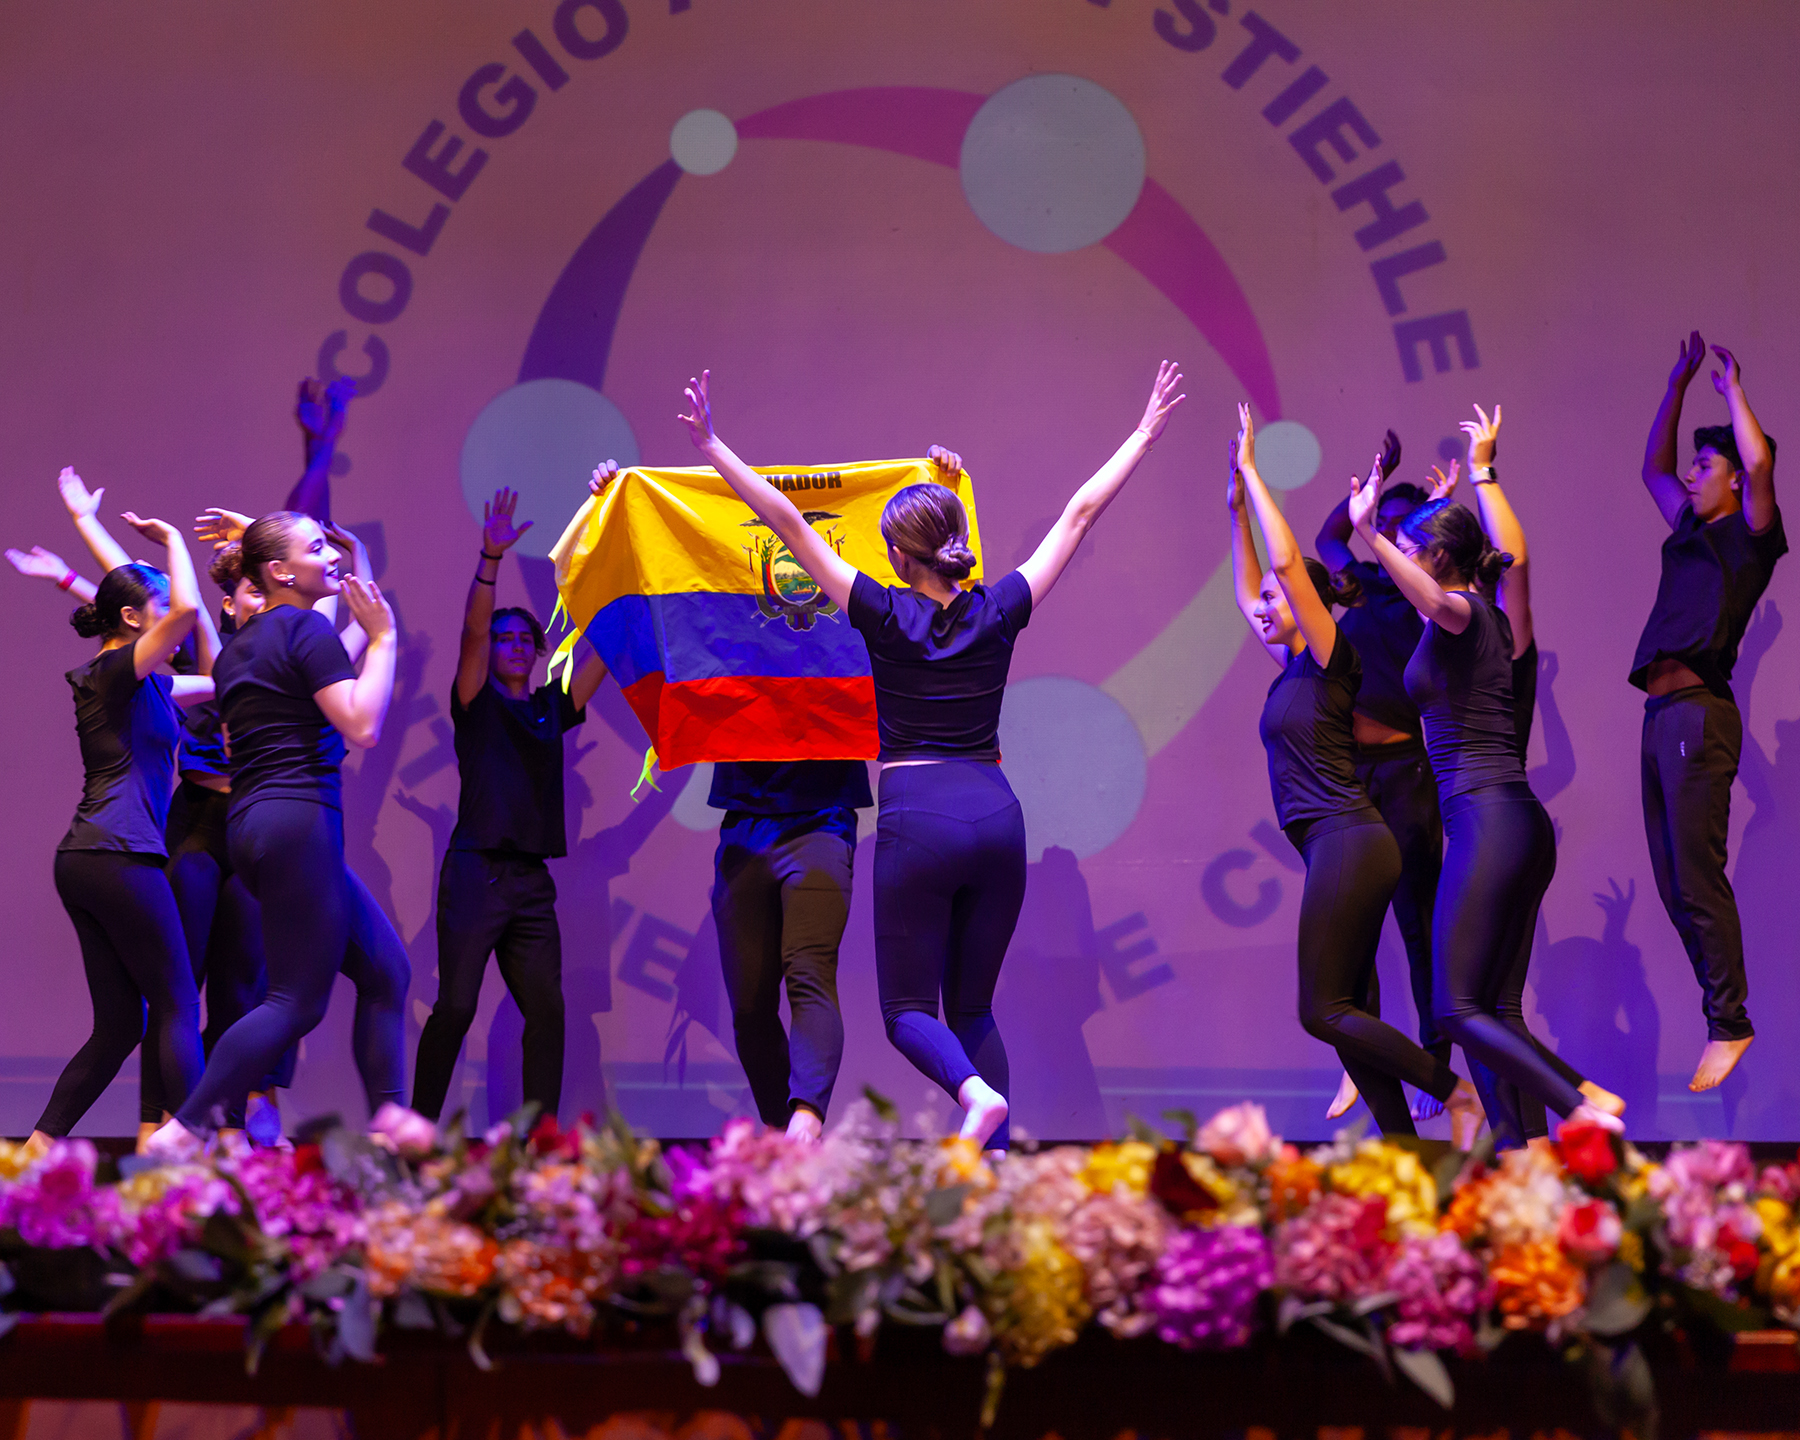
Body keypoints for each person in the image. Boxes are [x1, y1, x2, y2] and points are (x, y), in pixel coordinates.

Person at [678, 362, 1185, 1149]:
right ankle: (992, 1163)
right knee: (974, 1007)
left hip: (920, 820)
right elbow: (1079, 514)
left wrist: (714, 447)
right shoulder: (1000, 608)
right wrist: (1145, 432)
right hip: (997, 815)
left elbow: (788, 523)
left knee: (907, 1012)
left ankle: (976, 1099)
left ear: (896, 556)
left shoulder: (881, 613)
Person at [1347, 460, 1622, 1144]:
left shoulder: (1466, 612)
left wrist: (1369, 532)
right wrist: (1438, 511)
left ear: (1439, 558)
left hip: (1486, 820)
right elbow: (1436, 590)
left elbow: (1435, 598)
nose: (1393, 562)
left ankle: (1581, 1102)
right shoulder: (1480, 617)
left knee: (1455, 1008)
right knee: (1495, 1009)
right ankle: (1527, 1153)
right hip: (1513, 821)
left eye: (1407, 551)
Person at [1229, 408, 1482, 1142]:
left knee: (1323, 1010)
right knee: (1345, 1008)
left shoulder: (1333, 657)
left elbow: (1286, 567)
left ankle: (1454, 1090)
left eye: (1278, 600)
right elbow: (1252, 587)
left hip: (1351, 834)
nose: (1264, 607)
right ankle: (1403, 1149)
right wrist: (1235, 508)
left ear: (1307, 606)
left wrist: (1254, 472)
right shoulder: (1293, 669)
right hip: (1335, 840)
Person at [149, 511, 407, 1150]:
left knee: (387, 972)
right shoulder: (304, 629)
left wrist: (268, 536)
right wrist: (384, 640)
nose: (332, 556)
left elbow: (310, 603)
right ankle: (184, 1128)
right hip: (299, 821)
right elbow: (363, 724)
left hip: (255, 825)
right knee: (296, 1002)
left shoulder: (243, 645)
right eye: (317, 548)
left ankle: (390, 1129)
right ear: (280, 572)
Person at [411, 485, 610, 1126]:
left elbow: (604, 650)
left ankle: (538, 1141)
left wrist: (622, 564)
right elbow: (471, 633)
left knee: (548, 1012)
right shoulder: (476, 703)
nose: (517, 645)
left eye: (527, 638)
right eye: (506, 639)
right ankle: (417, 1130)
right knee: (456, 1008)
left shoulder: (552, 706)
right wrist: (490, 560)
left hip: (530, 882)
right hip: (476, 872)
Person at [28, 491, 214, 1150]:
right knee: (178, 1003)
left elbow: (215, 678)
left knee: (118, 1027)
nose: (174, 621)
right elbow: (186, 613)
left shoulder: (149, 683)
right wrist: (174, 541)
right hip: (119, 856)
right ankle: (195, 1148)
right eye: (157, 609)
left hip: (90, 857)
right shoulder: (114, 670)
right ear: (133, 618)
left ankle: (33, 1154)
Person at [1633, 334, 1783, 1092]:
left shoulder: (1750, 538)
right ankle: (1721, 1016)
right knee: (1673, 883)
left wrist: (1731, 391)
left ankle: (1730, 1021)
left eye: (1705, 465)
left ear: (1733, 478)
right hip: (1661, 717)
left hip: (1698, 715)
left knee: (1696, 877)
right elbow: (1653, 470)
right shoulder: (1690, 528)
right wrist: (1676, 387)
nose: (1691, 475)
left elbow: (1760, 464)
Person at [1315, 443, 1449, 1121]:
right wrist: (1374, 485)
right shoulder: (1365, 584)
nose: (1388, 535)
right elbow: (1326, 540)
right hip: (1355, 773)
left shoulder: (1426, 602)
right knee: (1353, 922)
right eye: (1383, 526)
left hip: (1404, 774)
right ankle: (1360, 1058)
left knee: (1418, 926)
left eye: (1403, 528)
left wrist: (1442, 505)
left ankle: (1436, 1059)